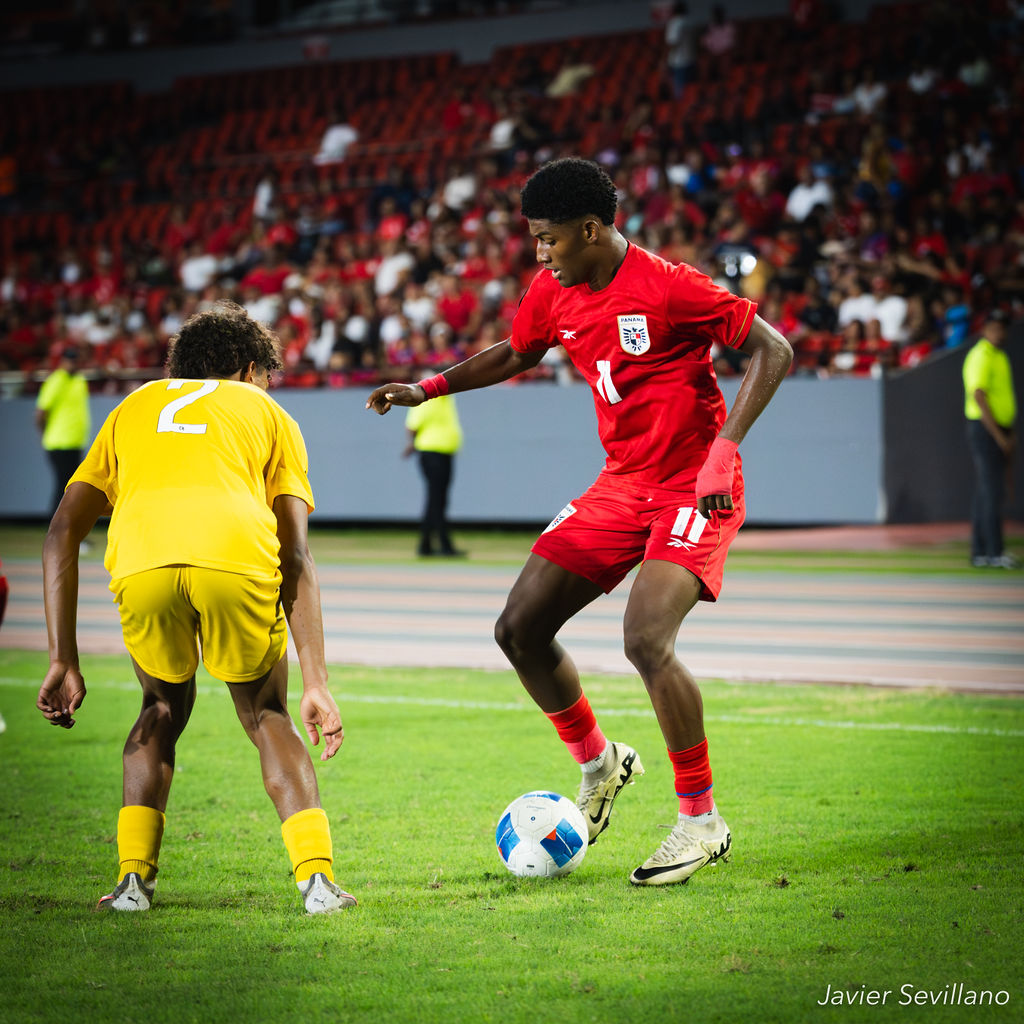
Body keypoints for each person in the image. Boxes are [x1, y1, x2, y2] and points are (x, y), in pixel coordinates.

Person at [367, 158, 792, 887]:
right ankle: (601, 764)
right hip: (621, 483)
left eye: (549, 238)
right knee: (518, 629)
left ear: (591, 230)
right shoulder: (553, 290)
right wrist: (429, 388)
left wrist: (724, 453)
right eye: (535, 238)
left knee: (645, 640)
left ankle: (701, 821)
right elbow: (518, 350)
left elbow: (772, 350)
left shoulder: (670, 286)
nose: (540, 253)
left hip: (693, 485)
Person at [37, 302, 356, 915]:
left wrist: (63, 658)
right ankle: (317, 883)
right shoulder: (267, 411)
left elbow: (60, 534)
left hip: (142, 562)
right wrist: (317, 681)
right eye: (267, 376)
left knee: (158, 708)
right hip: (235, 558)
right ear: (250, 370)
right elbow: (295, 554)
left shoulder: (133, 405)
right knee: (266, 712)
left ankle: (133, 885)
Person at [963, 310, 1019, 568]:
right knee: (992, 491)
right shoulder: (980, 355)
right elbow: (978, 395)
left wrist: (1008, 431)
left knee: (986, 491)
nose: (1000, 333)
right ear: (984, 330)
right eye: (995, 328)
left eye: (1003, 328)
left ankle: (981, 552)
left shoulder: (999, 355)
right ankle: (994, 552)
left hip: (999, 428)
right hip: (985, 429)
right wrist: (999, 435)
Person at [404, 374, 465, 557]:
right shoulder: (427, 398)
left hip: (443, 452)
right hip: (431, 452)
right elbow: (412, 425)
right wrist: (411, 443)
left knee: (438, 500)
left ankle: (426, 545)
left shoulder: (447, 398)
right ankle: (443, 545)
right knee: (436, 500)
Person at [35, 347, 91, 517]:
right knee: (64, 486)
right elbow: (40, 413)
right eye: (70, 360)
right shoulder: (56, 381)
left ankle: (66, 526)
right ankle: (57, 526)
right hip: (58, 443)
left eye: (75, 360)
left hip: (75, 442)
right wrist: (45, 436)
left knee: (70, 486)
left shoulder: (80, 380)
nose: (73, 364)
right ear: (62, 361)